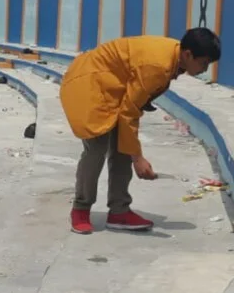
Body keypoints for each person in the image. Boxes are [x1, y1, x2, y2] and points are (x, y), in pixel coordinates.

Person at [62, 28, 221, 235]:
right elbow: (129, 113)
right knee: (97, 148)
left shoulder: (175, 57)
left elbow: (134, 100)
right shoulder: (158, 66)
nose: (204, 69)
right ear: (188, 54)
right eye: (204, 63)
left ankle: (119, 211)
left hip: (113, 87)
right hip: (89, 82)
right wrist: (138, 159)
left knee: (123, 148)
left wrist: (132, 151)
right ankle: (81, 209)